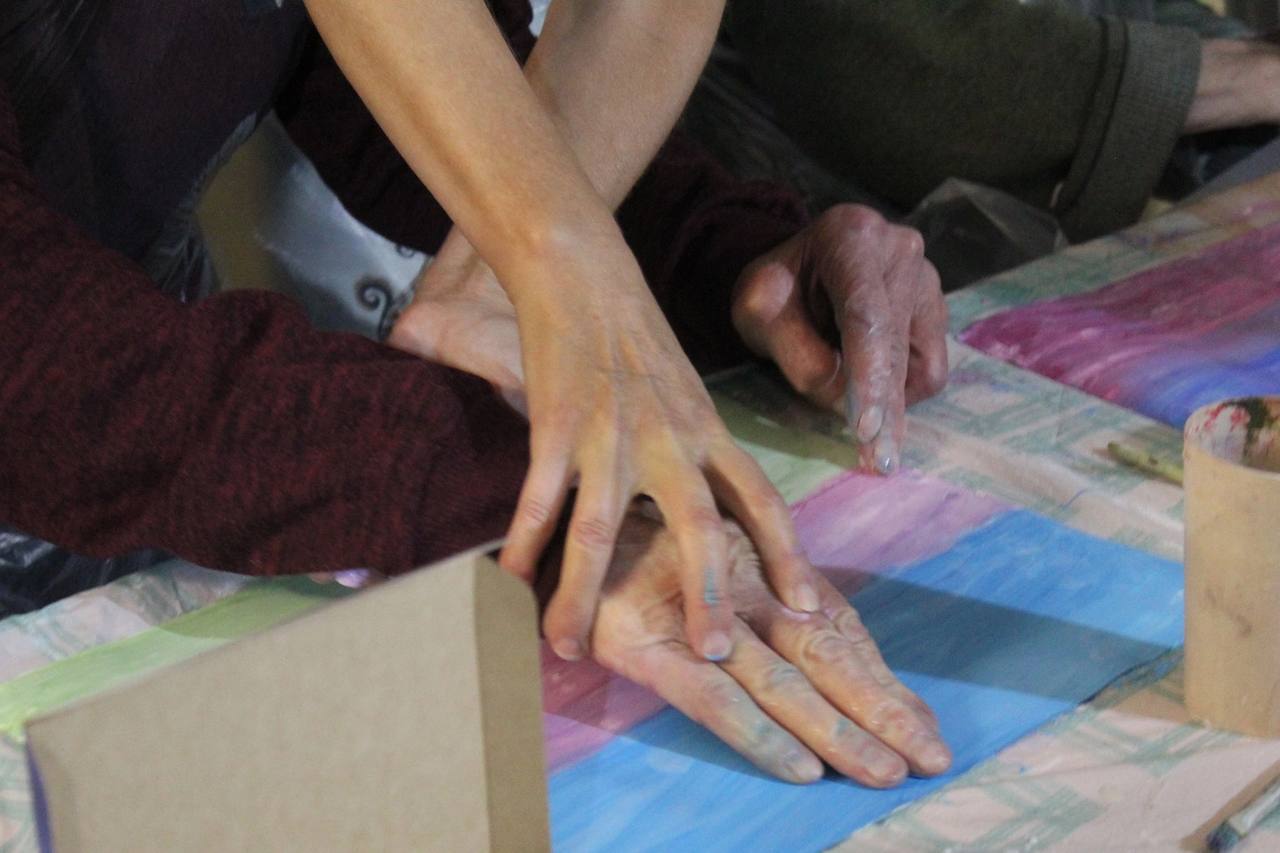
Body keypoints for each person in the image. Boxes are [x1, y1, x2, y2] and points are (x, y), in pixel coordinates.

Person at [0, 0, 949, 783]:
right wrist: (522, 492)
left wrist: (723, 261)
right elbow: (38, 363)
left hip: (143, 532)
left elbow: (405, 100)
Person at [685, 0, 1280, 243]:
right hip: (797, 268)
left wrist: (1245, 65)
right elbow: (907, 82)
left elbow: (1126, 10)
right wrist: (1233, 78)